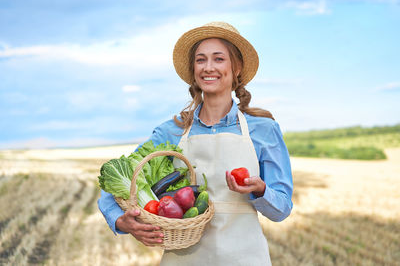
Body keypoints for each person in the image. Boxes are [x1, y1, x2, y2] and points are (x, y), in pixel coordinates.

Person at [98, 21, 293, 265]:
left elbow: (282, 208)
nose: (208, 67)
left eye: (219, 59)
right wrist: (120, 220)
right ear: (193, 69)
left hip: (245, 257)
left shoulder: (264, 129)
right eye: (201, 60)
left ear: (237, 67)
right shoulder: (171, 132)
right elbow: (118, 178)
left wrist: (260, 189)